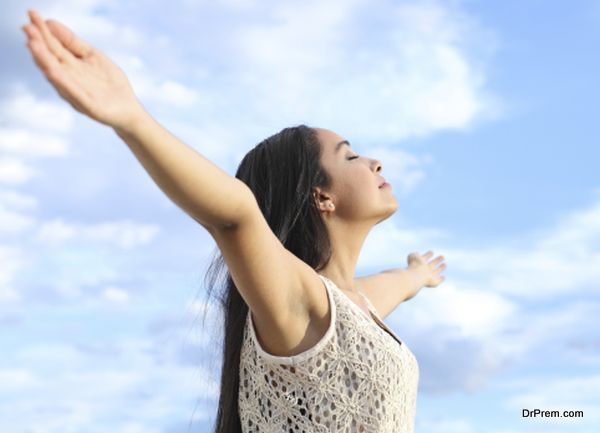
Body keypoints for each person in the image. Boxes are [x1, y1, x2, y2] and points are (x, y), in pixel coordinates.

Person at [21, 9, 447, 433]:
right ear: (321, 197)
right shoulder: (302, 302)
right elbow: (236, 216)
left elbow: (396, 284)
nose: (375, 162)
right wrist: (131, 118)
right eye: (351, 156)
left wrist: (419, 274)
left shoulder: (358, 305)